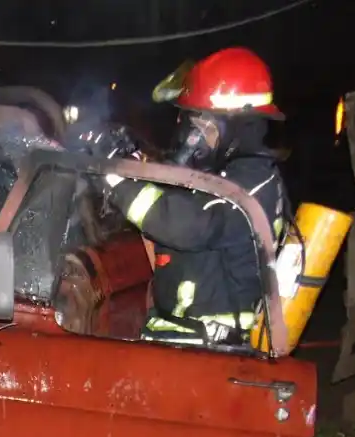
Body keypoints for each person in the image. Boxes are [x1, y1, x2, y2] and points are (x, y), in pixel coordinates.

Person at [103, 46, 291, 346]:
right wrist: (135, 164)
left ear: (235, 127)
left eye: (200, 125)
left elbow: (190, 225)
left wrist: (117, 181)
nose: (192, 137)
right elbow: (177, 198)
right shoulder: (227, 174)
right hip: (180, 336)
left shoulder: (252, 184)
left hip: (213, 347)